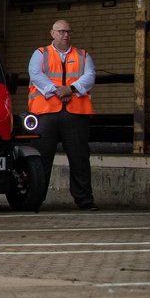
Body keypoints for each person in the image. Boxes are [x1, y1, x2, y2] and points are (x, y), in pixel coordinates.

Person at [28, 19, 98, 210]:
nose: (65, 35)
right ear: (52, 33)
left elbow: (90, 76)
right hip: (46, 114)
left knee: (80, 159)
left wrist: (72, 89)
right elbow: (36, 75)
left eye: (68, 32)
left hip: (76, 114)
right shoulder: (40, 54)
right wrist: (58, 90)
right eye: (61, 32)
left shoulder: (83, 55)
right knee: (41, 160)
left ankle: (84, 200)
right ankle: (36, 199)